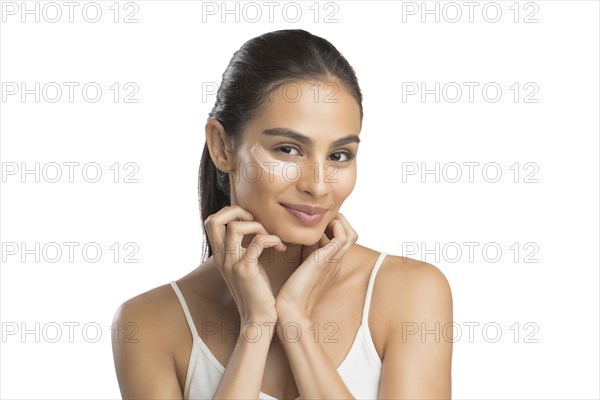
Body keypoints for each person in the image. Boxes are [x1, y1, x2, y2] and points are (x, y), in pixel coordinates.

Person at [112, 29, 453, 400]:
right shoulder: (147, 323)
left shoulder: (411, 292)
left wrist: (295, 322)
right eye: (289, 149)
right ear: (222, 147)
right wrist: (256, 326)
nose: (318, 186)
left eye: (339, 155)